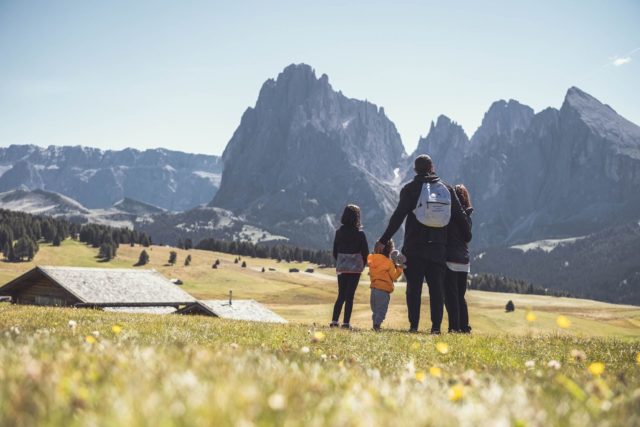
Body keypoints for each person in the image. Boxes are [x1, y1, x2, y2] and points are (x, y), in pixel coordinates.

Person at [375, 155, 470, 334]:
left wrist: (384, 239)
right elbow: (460, 217)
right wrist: (467, 235)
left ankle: (414, 326)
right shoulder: (447, 189)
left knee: (414, 288)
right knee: (437, 290)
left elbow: (398, 217)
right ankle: (435, 327)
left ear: (415, 169)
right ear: (432, 167)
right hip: (438, 248)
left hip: (414, 247)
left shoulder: (410, 189)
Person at [331, 204, 369, 329]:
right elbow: (365, 253)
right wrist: (361, 265)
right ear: (357, 218)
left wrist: (341, 261)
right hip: (355, 269)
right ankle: (346, 323)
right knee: (350, 296)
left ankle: (334, 321)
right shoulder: (360, 234)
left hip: (342, 267)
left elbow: (335, 251)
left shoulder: (338, 232)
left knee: (341, 294)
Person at [443, 184, 473, 333]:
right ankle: (464, 327)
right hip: (464, 261)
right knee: (461, 297)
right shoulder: (468, 216)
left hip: (450, 259)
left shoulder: (448, 215)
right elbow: (467, 238)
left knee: (450, 297)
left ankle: (454, 328)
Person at [367, 239, 405, 331]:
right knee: (382, 310)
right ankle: (377, 326)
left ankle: (375, 325)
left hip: (374, 289)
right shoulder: (388, 263)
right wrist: (399, 267)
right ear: (389, 250)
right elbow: (394, 276)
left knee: (375, 310)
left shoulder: (372, 259)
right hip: (383, 290)